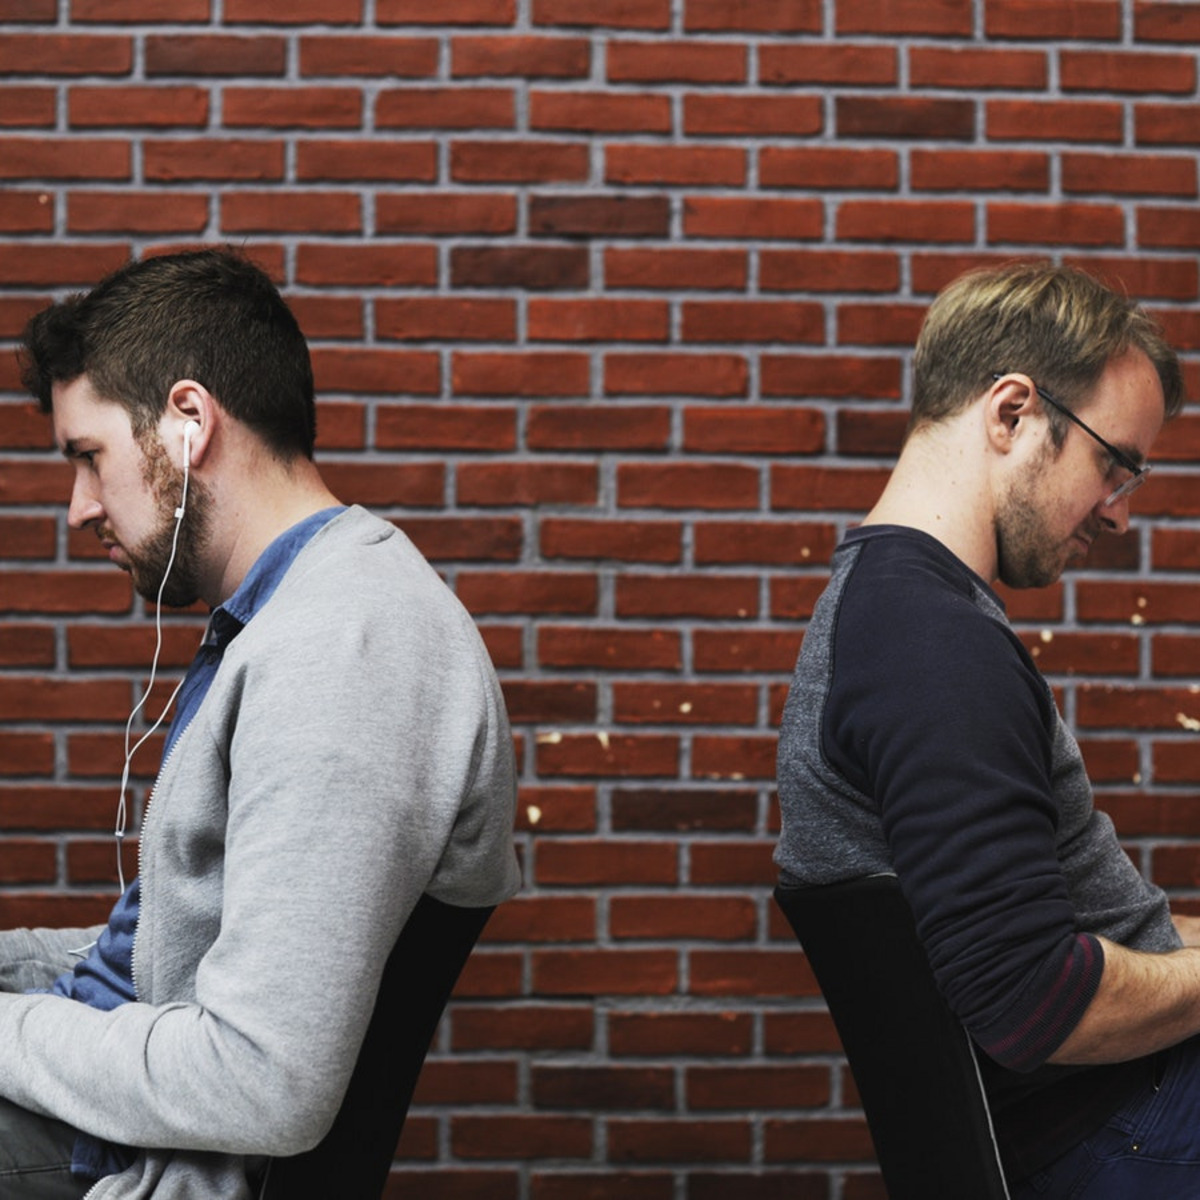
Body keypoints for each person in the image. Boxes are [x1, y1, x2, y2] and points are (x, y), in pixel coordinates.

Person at [4, 247, 521, 1198]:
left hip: (127, 1160)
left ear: (188, 422)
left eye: (89, 456)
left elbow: (265, 1079)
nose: (79, 509)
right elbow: (170, 951)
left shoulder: (347, 650)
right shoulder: (287, 614)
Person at [774, 261, 1200, 1198]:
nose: (1122, 512)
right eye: (1114, 464)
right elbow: (1034, 1003)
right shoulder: (931, 646)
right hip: (1127, 1127)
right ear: (1012, 413)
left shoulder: (894, 614)